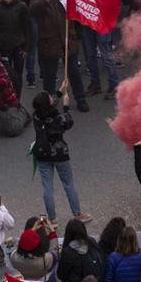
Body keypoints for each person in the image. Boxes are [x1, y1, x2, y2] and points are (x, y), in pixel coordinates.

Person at [30, 92, 86, 223]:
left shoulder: (36, 115)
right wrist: (66, 106)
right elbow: (69, 122)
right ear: (48, 103)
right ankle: (77, 214)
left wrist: (60, 92)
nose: (52, 97)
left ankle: (51, 218)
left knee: (47, 187)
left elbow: (49, 104)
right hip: (59, 154)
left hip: (42, 153)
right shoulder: (57, 118)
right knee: (68, 184)